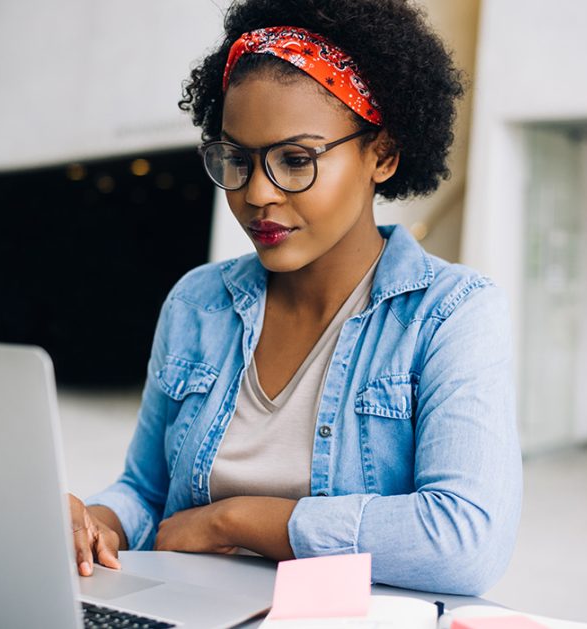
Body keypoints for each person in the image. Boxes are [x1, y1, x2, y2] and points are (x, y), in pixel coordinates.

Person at [67, 0, 521, 595]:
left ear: (381, 155)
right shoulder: (197, 304)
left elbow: (465, 540)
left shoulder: (449, 314)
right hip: (188, 606)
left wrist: (239, 520)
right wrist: (99, 521)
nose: (257, 194)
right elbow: (147, 492)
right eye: (237, 159)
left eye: (295, 160)